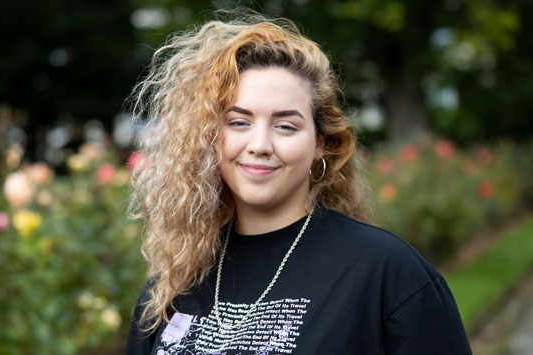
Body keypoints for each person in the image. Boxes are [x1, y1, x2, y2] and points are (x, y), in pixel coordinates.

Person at [125, 12, 472, 355]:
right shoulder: (173, 286)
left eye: (285, 126)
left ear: (320, 143)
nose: (259, 145)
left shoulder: (386, 273)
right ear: (210, 137)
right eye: (239, 122)